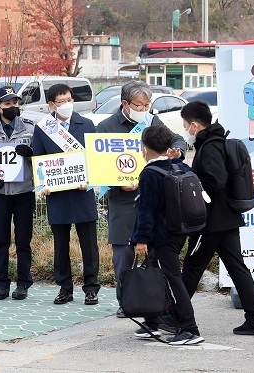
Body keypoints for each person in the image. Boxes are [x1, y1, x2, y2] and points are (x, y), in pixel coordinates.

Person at [96, 80, 186, 317]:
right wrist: (118, 183)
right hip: (122, 201)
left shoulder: (151, 121)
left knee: (156, 252)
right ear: (125, 104)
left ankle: (158, 301)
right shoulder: (106, 127)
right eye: (139, 105)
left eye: (147, 105)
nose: (143, 110)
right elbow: (96, 164)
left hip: (151, 199)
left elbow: (176, 139)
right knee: (123, 256)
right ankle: (125, 302)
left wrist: (177, 151)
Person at [180, 100, 254, 335]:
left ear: (195, 125)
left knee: (192, 266)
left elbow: (215, 180)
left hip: (210, 221)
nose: (185, 129)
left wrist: (195, 186)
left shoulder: (209, 147)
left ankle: (175, 316)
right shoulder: (216, 142)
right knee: (237, 267)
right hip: (227, 218)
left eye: (185, 125)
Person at [130, 125, 204, 345]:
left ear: (144, 148)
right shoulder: (178, 166)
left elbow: (146, 210)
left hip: (162, 237)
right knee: (156, 274)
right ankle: (154, 322)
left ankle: (190, 329)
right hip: (180, 230)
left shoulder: (150, 174)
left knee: (172, 280)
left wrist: (141, 239)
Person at [33, 83, 100, 306]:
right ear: (51, 104)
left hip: (83, 194)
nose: (67, 105)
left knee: (89, 245)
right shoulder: (43, 128)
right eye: (61, 102)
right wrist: (42, 184)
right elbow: (38, 159)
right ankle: (65, 287)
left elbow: (94, 158)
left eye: (69, 100)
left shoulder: (87, 124)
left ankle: (91, 288)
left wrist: (90, 181)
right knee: (60, 245)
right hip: (58, 195)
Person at [0, 86, 35, 300]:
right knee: (1, 239)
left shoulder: (30, 128)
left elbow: (42, 155)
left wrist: (32, 153)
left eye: (15, 103)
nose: (13, 107)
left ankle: (23, 283)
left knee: (23, 240)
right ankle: (1, 283)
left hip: (23, 192)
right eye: (8, 104)